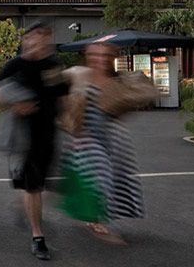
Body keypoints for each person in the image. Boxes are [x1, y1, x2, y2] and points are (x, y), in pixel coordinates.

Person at [0, 22, 68, 260]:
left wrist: (71, 123)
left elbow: (63, 98)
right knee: (34, 186)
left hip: (49, 134)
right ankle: (38, 237)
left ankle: (22, 204)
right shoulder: (15, 65)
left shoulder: (53, 65)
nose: (39, 42)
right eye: (35, 37)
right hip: (23, 138)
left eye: (45, 38)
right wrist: (15, 104)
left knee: (48, 185)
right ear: (26, 40)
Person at [61, 42, 145, 245]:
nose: (100, 59)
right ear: (88, 56)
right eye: (95, 55)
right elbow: (54, 86)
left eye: (105, 55)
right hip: (86, 136)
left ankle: (89, 215)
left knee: (116, 179)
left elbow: (130, 104)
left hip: (112, 136)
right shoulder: (79, 74)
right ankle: (97, 223)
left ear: (112, 58)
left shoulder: (117, 80)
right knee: (100, 176)